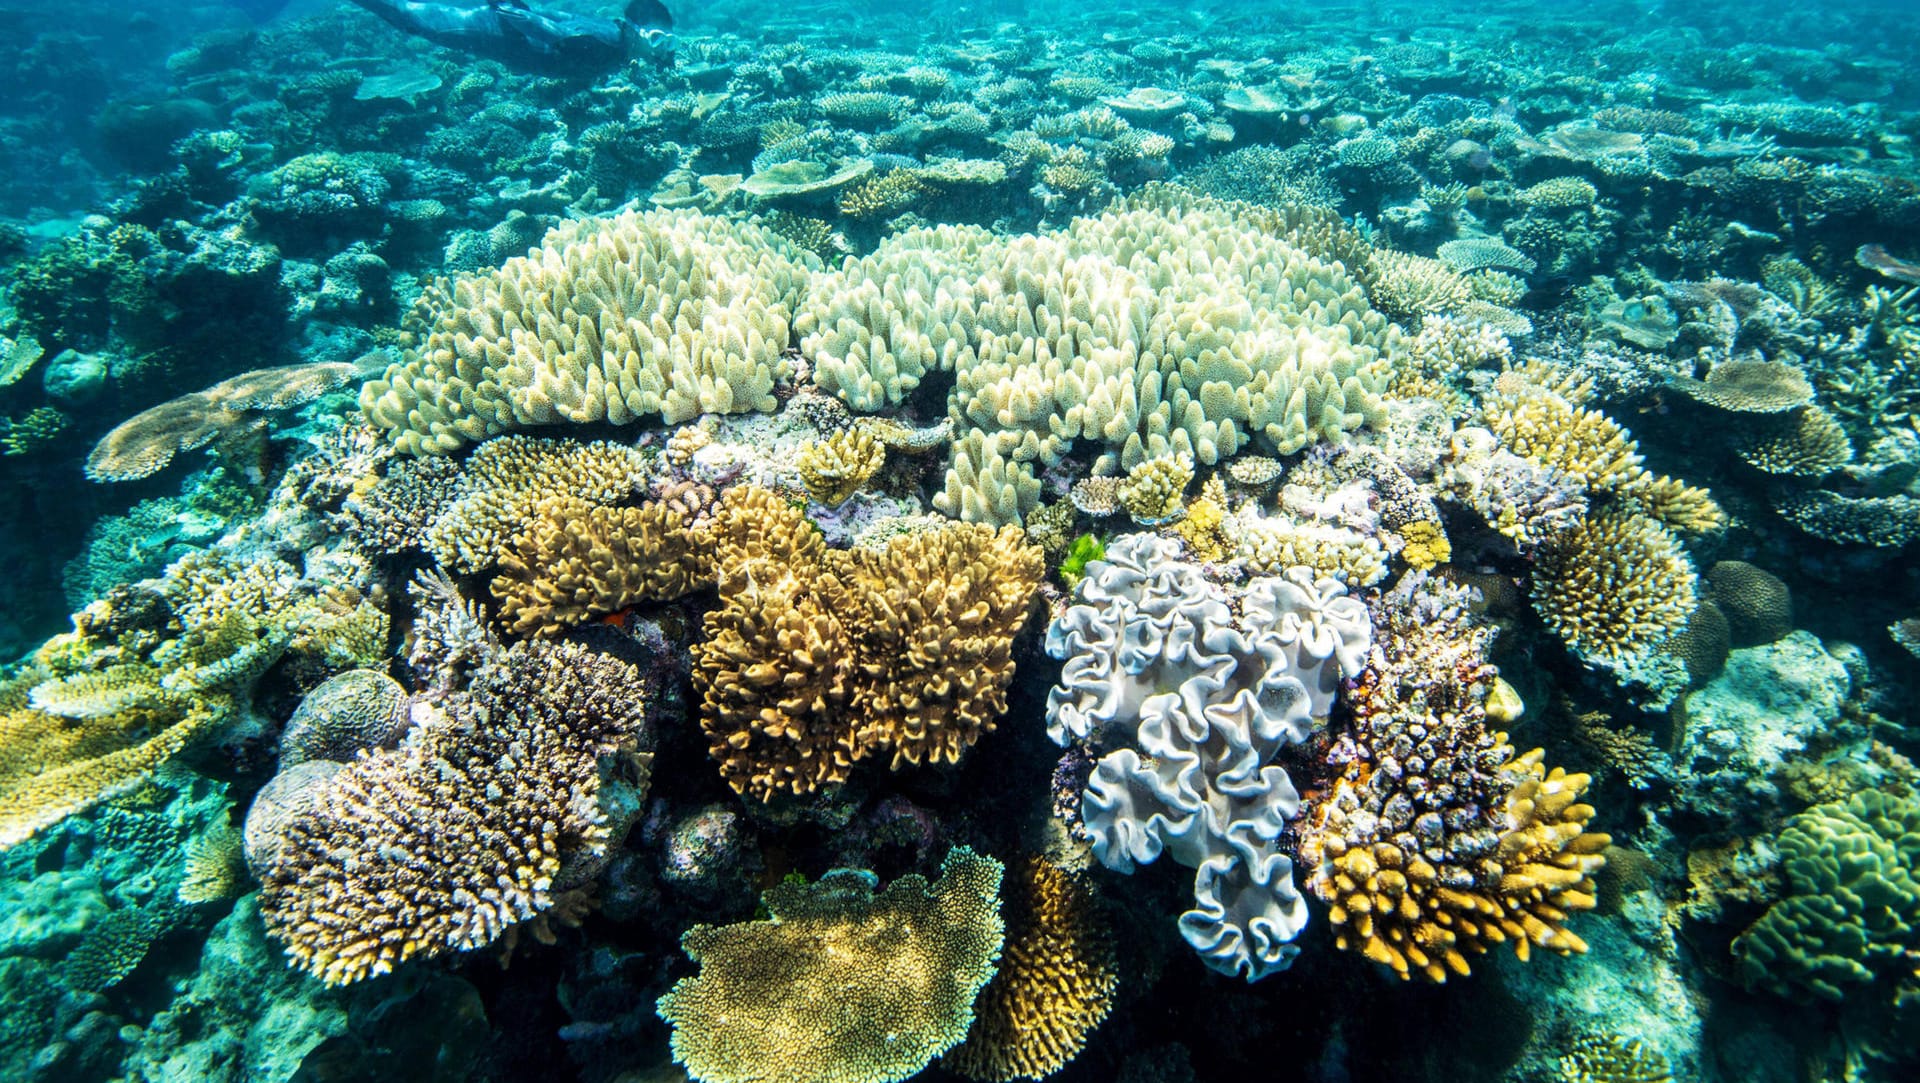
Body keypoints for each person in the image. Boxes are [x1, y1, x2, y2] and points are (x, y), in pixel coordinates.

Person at [346, 0, 674, 74]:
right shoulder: (608, 43)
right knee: (416, 22)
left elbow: (557, 18)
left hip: (500, 32)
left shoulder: (614, 35)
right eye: (658, 39)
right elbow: (546, 28)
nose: (662, 49)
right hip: (489, 33)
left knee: (418, 17)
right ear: (634, 28)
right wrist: (507, 10)